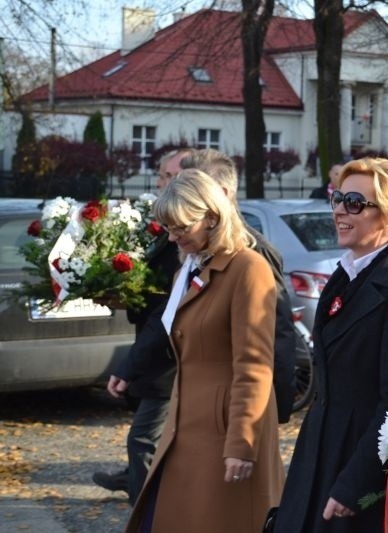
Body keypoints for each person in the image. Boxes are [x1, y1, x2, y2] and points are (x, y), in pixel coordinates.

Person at [275, 158, 388, 532]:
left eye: (356, 203)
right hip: (319, 446)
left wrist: (356, 483)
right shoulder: (347, 273)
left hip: (357, 458)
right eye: (338, 198)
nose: (340, 211)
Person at [125, 170, 284, 532]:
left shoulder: (248, 268)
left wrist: (241, 443)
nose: (174, 237)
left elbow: (254, 365)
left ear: (212, 216)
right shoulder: (194, 264)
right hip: (187, 424)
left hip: (225, 430)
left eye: (181, 228)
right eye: (169, 229)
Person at [93, 149, 191, 503]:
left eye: (167, 177)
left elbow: (169, 309)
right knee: (149, 438)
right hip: (152, 352)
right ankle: (138, 483)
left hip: (166, 359)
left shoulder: (191, 244)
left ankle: (143, 501)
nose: (160, 183)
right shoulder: (163, 232)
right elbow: (154, 297)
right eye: (161, 176)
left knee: (143, 439)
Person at [180, 148, 297, 422]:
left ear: (221, 194)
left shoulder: (254, 254)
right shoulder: (193, 251)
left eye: (192, 189)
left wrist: (274, 407)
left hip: (235, 404)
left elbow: (276, 333)